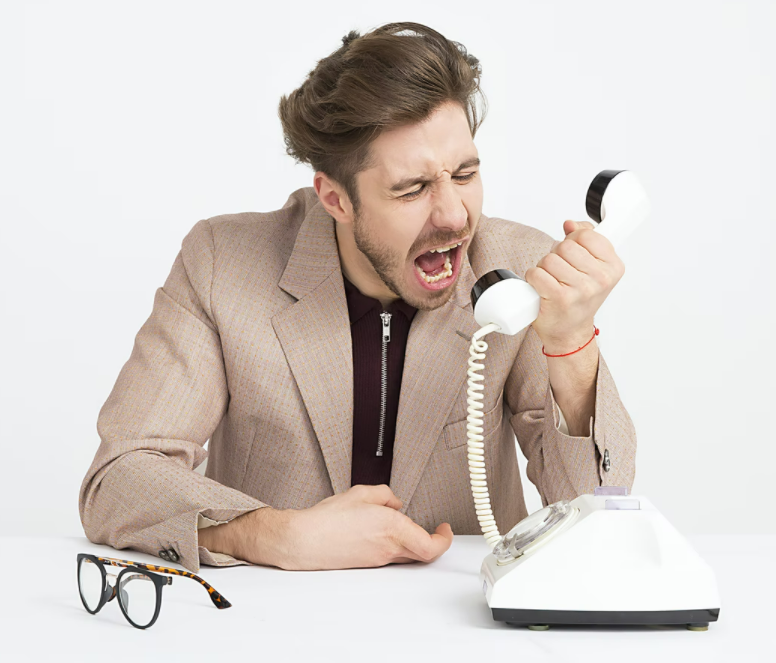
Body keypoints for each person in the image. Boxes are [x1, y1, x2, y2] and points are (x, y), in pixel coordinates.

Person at [79, 22, 636, 574]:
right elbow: (119, 478)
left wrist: (571, 344)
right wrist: (272, 535)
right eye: (412, 188)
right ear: (336, 199)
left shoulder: (517, 270)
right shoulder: (222, 262)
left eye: (465, 175)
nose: (454, 215)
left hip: (459, 614)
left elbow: (599, 513)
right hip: (272, 612)